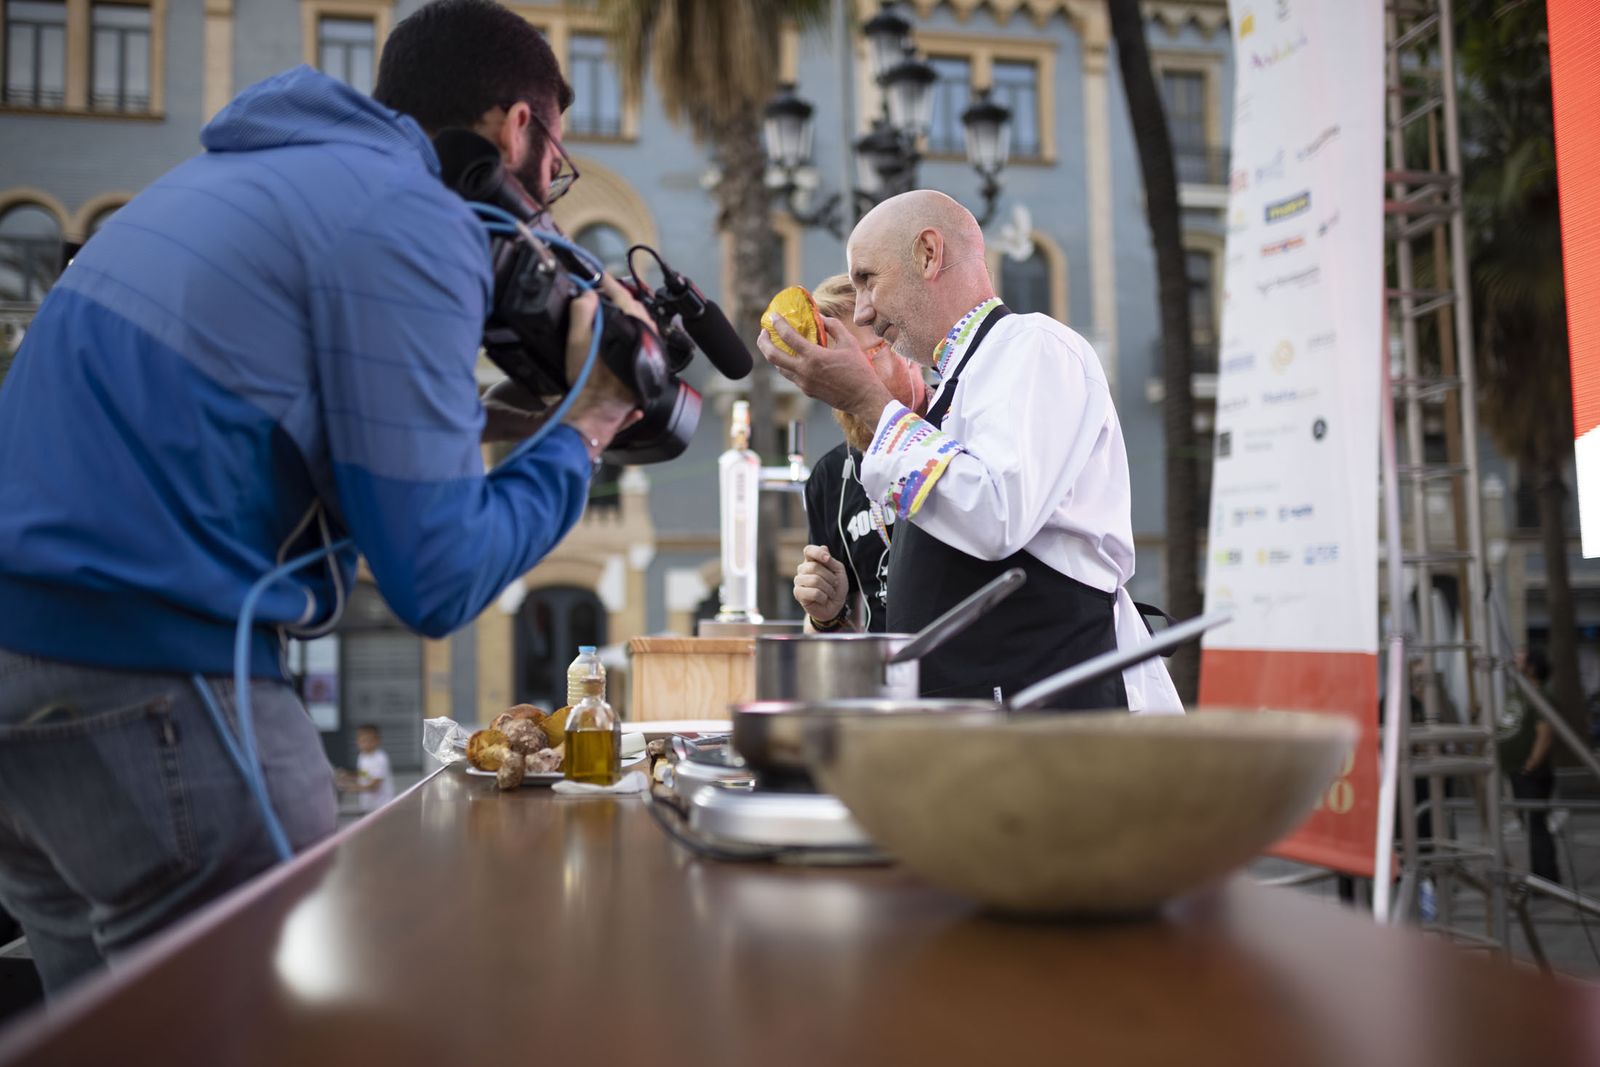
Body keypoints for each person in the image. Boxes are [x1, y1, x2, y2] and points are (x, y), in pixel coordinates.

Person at [0, 0, 642, 994]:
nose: (545, 207)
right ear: (521, 126)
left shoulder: (238, 178)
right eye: (554, 169)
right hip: (153, 672)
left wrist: (491, 421)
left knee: (101, 1034)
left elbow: (260, 400)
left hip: (22, 680)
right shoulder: (411, 216)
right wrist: (590, 423)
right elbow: (435, 576)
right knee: (283, 1021)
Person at [760, 190, 1180, 712]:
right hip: (989, 726)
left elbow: (995, 514)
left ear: (928, 254)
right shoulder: (963, 379)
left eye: (868, 279)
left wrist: (868, 401)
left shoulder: (1034, 346)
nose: (864, 311)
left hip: (1054, 723)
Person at [791, 274, 929, 633]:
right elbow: (827, 636)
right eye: (833, 365)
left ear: (905, 348)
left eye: (862, 358)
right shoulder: (831, 473)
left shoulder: (958, 426)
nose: (845, 377)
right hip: (886, 682)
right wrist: (825, 615)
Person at [1499, 646, 1560, 883]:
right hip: (1516, 770)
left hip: (1530, 772)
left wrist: (1532, 763)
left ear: (1532, 667)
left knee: (1536, 825)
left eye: (1520, 659)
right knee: (1529, 825)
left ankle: (1546, 877)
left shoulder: (1541, 694)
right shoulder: (1519, 693)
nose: (1513, 661)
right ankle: (1539, 875)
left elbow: (1545, 732)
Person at [337, 724, 397, 814]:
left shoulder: (380, 758)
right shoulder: (362, 756)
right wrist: (349, 776)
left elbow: (374, 785)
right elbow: (364, 774)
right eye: (362, 740)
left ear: (377, 740)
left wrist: (351, 788)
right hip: (368, 805)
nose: (365, 743)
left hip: (383, 805)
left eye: (369, 740)